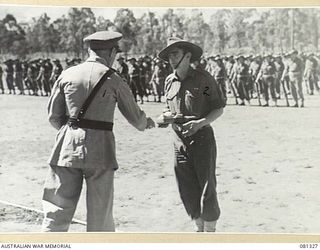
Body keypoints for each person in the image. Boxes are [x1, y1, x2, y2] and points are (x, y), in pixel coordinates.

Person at [41, 31, 155, 232]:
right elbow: (137, 120)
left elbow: (53, 116)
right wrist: (149, 122)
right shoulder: (113, 79)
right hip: (100, 150)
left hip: (66, 148)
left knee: (56, 215)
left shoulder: (67, 74)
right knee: (100, 218)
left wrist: (73, 133)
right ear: (111, 52)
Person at [157, 37, 225, 232]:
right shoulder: (169, 81)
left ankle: (210, 233)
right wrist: (164, 118)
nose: (171, 58)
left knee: (206, 187)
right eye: (169, 54)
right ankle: (199, 228)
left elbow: (218, 108)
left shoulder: (203, 80)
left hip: (202, 139)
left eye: (175, 54)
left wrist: (201, 123)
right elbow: (167, 108)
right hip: (178, 141)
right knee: (185, 186)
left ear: (187, 56)